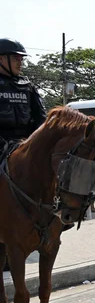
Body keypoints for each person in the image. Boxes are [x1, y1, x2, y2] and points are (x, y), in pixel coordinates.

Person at [0, 38, 47, 271]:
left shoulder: (28, 87)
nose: (21, 61)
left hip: (25, 145)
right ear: (1, 59)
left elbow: (41, 120)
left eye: (21, 58)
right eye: (16, 57)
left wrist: (35, 143)